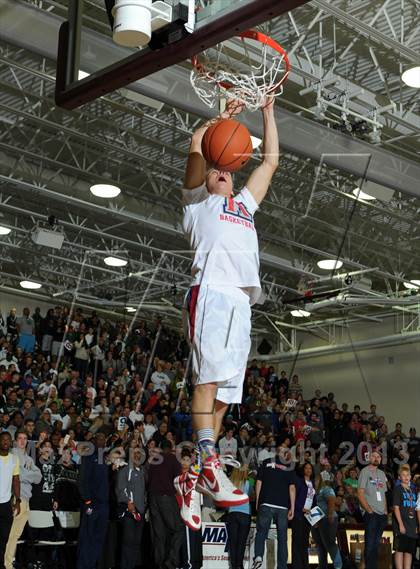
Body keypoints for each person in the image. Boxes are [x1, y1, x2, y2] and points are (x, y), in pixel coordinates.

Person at [175, 96, 279, 531]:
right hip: (211, 293)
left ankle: (194, 479)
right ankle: (210, 461)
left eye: (226, 170)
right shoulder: (197, 204)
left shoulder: (244, 206)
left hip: (241, 303)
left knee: (224, 397)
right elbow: (199, 142)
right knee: (208, 381)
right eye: (216, 168)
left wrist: (268, 112)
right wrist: (222, 118)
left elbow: (270, 162)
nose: (222, 172)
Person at [252, 446, 296, 569]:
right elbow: (292, 488)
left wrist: (258, 501)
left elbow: (259, 482)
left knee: (261, 532)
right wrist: (292, 507)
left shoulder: (266, 462)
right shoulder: (289, 467)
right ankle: (282, 566)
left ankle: (258, 556)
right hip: (282, 507)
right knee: (282, 538)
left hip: (266, 503)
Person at [4, 430, 41, 569]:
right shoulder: (12, 454)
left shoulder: (29, 459)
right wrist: (27, 474)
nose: (22, 441)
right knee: (10, 533)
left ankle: (8, 562)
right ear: (15, 440)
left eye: (25, 438)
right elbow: (17, 476)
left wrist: (25, 474)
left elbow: (39, 477)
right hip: (16, 498)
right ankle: (7, 564)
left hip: (26, 499)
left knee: (16, 534)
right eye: (20, 438)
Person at [148, 439, 185, 569]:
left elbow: (148, 478)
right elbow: (178, 480)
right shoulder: (172, 459)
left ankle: (160, 563)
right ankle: (171, 561)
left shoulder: (154, 460)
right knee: (179, 528)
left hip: (152, 498)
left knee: (159, 533)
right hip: (166, 498)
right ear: (170, 448)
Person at [77, 432, 109, 569]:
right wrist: (87, 501)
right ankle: (83, 565)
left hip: (104, 505)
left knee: (98, 538)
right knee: (87, 536)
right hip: (92, 504)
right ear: (94, 441)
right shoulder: (89, 456)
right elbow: (82, 480)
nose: (102, 441)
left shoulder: (104, 458)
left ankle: (91, 564)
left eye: (104, 439)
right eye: (99, 439)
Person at [116, 447, 147, 569]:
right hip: (129, 511)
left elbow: (144, 492)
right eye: (135, 453)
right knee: (128, 542)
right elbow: (120, 489)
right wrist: (129, 502)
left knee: (136, 543)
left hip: (141, 512)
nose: (138, 456)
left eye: (139, 454)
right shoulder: (124, 471)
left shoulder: (142, 472)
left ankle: (132, 565)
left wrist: (144, 506)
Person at [357, 450, 388, 569]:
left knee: (376, 544)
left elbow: (383, 494)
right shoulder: (364, 472)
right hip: (371, 513)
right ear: (369, 458)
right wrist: (369, 510)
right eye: (374, 456)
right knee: (370, 544)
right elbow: (360, 493)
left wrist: (385, 511)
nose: (376, 458)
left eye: (379, 457)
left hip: (381, 514)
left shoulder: (381, 473)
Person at [311, 478, 342, 569]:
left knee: (329, 542)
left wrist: (330, 515)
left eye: (316, 480)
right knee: (320, 544)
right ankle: (322, 566)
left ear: (320, 480)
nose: (315, 481)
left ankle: (338, 566)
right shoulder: (313, 492)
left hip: (327, 518)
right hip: (316, 520)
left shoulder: (326, 488)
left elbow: (332, 499)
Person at [0, 432, 20, 569]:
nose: (6, 442)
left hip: (6, 504)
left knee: (3, 538)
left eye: (8, 439)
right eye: (3, 439)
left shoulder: (14, 459)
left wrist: (18, 500)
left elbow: (16, 480)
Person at [226, 465, 252, 569]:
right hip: (245, 514)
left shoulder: (230, 484)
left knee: (233, 543)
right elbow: (252, 496)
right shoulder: (248, 483)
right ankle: (239, 566)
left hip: (232, 513)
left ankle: (233, 566)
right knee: (241, 543)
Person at [291, 462, 316, 569]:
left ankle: (305, 566)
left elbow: (314, 501)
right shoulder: (299, 481)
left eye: (310, 468)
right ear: (303, 470)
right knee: (297, 541)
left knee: (305, 542)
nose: (308, 470)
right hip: (298, 515)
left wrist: (315, 517)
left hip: (308, 517)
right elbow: (293, 497)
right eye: (306, 468)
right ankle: (297, 566)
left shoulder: (312, 483)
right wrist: (301, 508)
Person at [392, 464, 417, 569]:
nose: (406, 477)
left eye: (408, 475)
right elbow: (396, 508)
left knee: (409, 551)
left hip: (412, 526)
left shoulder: (414, 490)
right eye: (403, 475)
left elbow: (416, 509)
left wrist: (416, 525)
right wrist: (401, 525)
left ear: (411, 476)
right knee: (400, 550)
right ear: (399, 477)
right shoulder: (398, 489)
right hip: (401, 525)